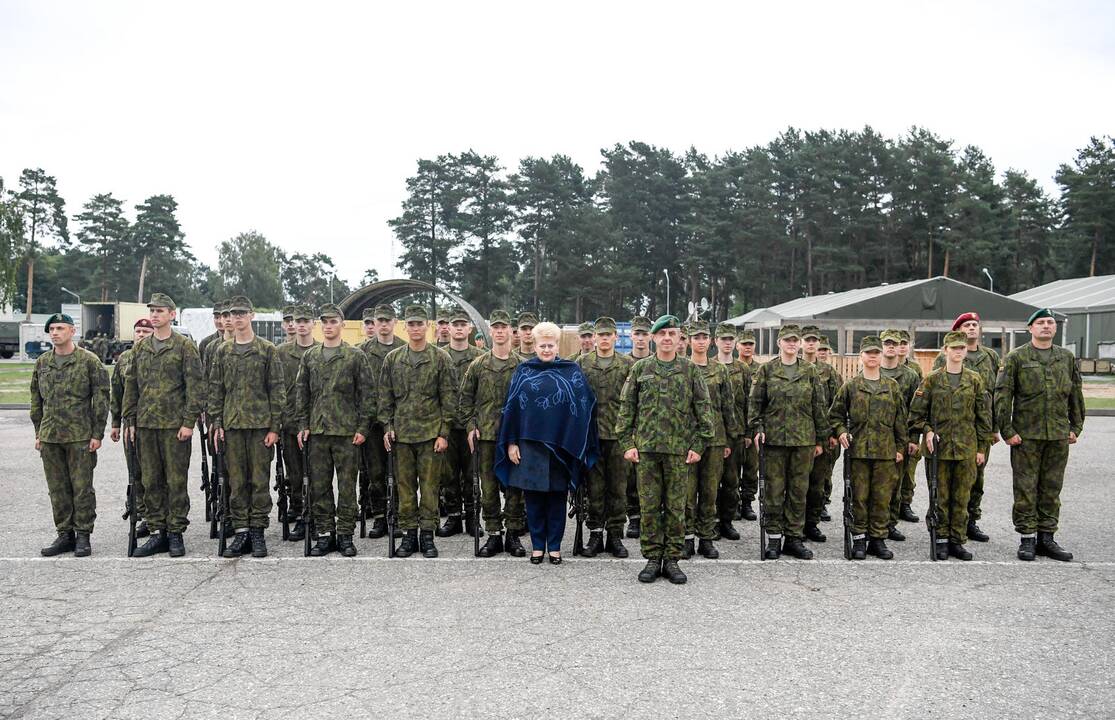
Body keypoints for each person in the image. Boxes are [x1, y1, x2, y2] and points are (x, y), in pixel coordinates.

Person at [616, 315, 713, 585]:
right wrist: (627, 443)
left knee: (675, 507)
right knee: (648, 506)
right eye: (663, 334)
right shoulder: (640, 369)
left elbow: (704, 410)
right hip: (646, 451)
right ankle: (651, 558)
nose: (668, 338)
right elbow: (626, 408)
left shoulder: (690, 370)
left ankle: (671, 559)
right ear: (654, 338)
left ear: (680, 338)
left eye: (673, 333)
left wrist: (699, 444)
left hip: (678, 451)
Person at [497, 322, 599, 564]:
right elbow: (511, 409)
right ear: (535, 345)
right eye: (542, 345)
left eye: (550, 345)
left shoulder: (571, 370)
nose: (546, 349)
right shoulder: (524, 371)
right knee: (533, 500)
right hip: (529, 446)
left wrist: (578, 442)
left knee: (556, 499)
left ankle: (554, 547)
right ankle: (537, 547)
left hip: (561, 447)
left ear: (557, 345)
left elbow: (585, 404)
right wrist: (511, 443)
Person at [995, 308, 1084, 562]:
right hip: (1026, 436)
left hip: (1057, 434)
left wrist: (1076, 426)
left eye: (1050, 323)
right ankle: (1027, 539)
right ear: (1030, 328)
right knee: (1025, 488)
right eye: (1041, 323)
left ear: (1055, 328)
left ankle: (1047, 537)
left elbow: (1075, 393)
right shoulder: (1016, 357)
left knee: (1051, 488)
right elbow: (1002, 395)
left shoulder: (1066, 358)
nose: (1046, 326)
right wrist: (1008, 430)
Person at [122, 293, 204, 557]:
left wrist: (189, 421)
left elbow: (195, 387)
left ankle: (176, 532)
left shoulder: (184, 347)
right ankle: (157, 532)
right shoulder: (140, 348)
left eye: (160, 311)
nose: (155, 315)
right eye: (153, 311)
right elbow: (131, 386)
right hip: (146, 425)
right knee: (151, 480)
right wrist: (130, 420)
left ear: (172, 314)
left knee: (175, 481)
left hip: (174, 426)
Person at [208, 295, 285, 558]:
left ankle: (258, 531)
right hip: (231, 426)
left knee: (259, 481)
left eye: (242, 313)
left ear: (251, 315)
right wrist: (216, 423)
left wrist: (275, 426)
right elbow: (216, 390)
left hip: (260, 427)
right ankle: (241, 531)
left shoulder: (267, 350)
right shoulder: (222, 351)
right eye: (232, 314)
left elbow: (277, 390)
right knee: (237, 482)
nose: (237, 318)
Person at [296, 304, 375, 557]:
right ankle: (325, 533)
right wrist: (303, 425)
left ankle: (344, 535)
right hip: (318, 432)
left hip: (346, 433)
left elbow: (367, 395)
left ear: (342, 325)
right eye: (325, 322)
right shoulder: (310, 357)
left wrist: (363, 427)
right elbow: (302, 394)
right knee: (319, 486)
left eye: (333, 322)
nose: (329, 326)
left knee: (347, 486)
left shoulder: (355, 356)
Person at [379, 305, 456, 558]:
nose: (415, 328)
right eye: (411, 324)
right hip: (401, 435)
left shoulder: (440, 358)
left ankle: (427, 535)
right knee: (405, 488)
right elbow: (385, 398)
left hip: (430, 435)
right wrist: (387, 427)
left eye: (419, 324)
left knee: (430, 487)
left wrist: (444, 433)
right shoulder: (393, 359)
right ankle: (409, 535)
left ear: (428, 326)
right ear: (405, 326)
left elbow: (448, 398)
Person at [908, 331, 993, 561]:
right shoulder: (932, 379)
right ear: (945, 351)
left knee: (962, 496)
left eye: (961, 348)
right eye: (953, 348)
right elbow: (916, 415)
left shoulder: (974, 380)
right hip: (939, 450)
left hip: (966, 448)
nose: (957, 352)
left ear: (966, 351)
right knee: (940, 496)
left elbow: (983, 417)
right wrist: (927, 431)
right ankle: (940, 538)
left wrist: (981, 448)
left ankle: (957, 540)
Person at [31, 313, 109, 557]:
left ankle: (83, 535)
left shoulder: (89, 361)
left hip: (80, 436)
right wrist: (39, 432)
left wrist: (97, 433)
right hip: (51, 436)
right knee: (57, 488)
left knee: (82, 488)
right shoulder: (43, 362)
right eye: (52, 329)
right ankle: (65, 534)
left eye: (60, 328)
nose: (54, 333)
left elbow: (102, 399)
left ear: (72, 331)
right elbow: (36, 400)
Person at [749, 324, 828, 560]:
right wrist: (757, 429)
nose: (792, 344)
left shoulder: (810, 371)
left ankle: (794, 538)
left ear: (800, 344)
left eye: (795, 340)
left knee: (798, 490)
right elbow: (756, 405)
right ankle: (774, 538)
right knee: (774, 490)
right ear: (779, 343)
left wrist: (821, 438)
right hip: (774, 440)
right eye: (787, 340)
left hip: (803, 440)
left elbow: (819, 405)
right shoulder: (767, 370)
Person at [829, 336, 907, 560]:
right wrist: (841, 431)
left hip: (886, 452)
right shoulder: (851, 386)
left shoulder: (892, 387)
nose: (872, 357)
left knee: (882, 498)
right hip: (859, 452)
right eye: (868, 353)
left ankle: (878, 539)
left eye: (876, 353)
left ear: (881, 356)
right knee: (859, 497)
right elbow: (835, 415)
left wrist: (901, 446)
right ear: (861, 356)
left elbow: (900, 420)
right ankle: (860, 538)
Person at [460, 310, 527, 557]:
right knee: (487, 488)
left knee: (513, 487)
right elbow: (465, 400)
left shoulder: (521, 366)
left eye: (504, 327)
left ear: (511, 331)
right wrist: (470, 427)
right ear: (490, 332)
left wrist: (521, 436)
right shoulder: (478, 365)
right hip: (486, 436)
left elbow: (528, 404)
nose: (499, 332)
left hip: (512, 437)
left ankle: (512, 534)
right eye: (495, 327)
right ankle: (493, 534)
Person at [932, 312, 1000, 542]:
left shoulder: (990, 356)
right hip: (950, 429)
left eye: (975, 325)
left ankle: (970, 521)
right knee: (946, 483)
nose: (972, 328)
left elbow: (994, 395)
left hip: (977, 428)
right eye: (966, 325)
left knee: (976, 477)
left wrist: (994, 428)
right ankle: (944, 526)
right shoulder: (946, 358)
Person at [576, 316, 633, 558]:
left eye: (609, 335)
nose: (604, 339)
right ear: (595, 337)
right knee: (595, 488)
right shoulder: (582, 363)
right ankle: (596, 533)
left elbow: (633, 402)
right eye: (600, 335)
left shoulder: (627, 364)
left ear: (615, 337)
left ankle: (615, 535)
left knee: (618, 488)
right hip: (592, 435)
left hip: (619, 435)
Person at [685, 320, 740, 559]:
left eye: (703, 337)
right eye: (695, 337)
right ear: (689, 341)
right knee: (687, 493)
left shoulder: (720, 371)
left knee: (709, 492)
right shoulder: (682, 368)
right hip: (687, 439)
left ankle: (706, 538)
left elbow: (728, 407)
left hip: (716, 440)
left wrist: (730, 439)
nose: (700, 341)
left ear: (710, 341)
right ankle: (687, 538)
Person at [358, 304, 406, 539]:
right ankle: (379, 516)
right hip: (372, 423)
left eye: (388, 320)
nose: (384, 324)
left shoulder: (403, 349)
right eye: (380, 320)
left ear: (394, 322)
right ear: (374, 323)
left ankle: (396, 515)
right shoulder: (362, 351)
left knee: (397, 472)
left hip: (398, 421)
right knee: (375, 473)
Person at [438, 307, 484, 538]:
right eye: (453, 324)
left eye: (462, 324)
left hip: (470, 427)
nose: (457, 328)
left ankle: (473, 518)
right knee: (448, 476)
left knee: (471, 475)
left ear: (469, 328)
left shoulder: (479, 357)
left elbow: (481, 393)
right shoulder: (439, 355)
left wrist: (475, 423)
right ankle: (453, 517)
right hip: (446, 427)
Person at [276, 305, 318, 540]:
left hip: (317, 424)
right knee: (294, 473)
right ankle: (301, 514)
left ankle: (316, 516)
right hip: (290, 423)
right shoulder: (281, 352)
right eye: (295, 320)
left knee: (316, 475)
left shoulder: (321, 351)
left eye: (304, 320)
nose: (299, 324)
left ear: (313, 324)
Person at [110, 318, 154, 538]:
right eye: (138, 330)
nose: (142, 334)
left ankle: (156, 515)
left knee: (154, 473)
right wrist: (116, 423)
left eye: (146, 330)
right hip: (130, 425)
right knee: (135, 472)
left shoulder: (156, 356)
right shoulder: (125, 359)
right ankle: (142, 514)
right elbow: (117, 393)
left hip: (153, 423)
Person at [879, 328, 921, 540]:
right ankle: (872, 523)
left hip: (900, 437)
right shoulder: (871, 371)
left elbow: (918, 410)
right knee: (875, 484)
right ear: (881, 346)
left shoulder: (911, 376)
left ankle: (890, 523)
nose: (891, 347)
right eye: (887, 344)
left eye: (895, 344)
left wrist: (914, 438)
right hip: (874, 437)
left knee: (896, 482)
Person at [800, 325, 839, 540]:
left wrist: (832, 433)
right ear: (801, 343)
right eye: (807, 340)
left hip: (822, 436)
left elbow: (837, 405)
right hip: (799, 435)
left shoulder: (828, 372)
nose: (811, 343)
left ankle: (812, 524)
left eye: (814, 340)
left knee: (817, 484)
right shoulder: (794, 368)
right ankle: (795, 525)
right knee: (797, 484)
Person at [713, 323, 749, 540]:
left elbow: (747, 403)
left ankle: (726, 521)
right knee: (709, 481)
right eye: (723, 339)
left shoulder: (742, 369)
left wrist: (746, 432)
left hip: (735, 433)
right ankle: (711, 521)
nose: (727, 342)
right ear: (715, 341)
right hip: (713, 433)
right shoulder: (706, 366)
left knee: (731, 480)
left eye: (730, 339)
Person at [624, 315, 653, 538]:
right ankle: (634, 517)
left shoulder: (657, 362)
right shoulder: (623, 363)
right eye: (637, 334)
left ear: (651, 336)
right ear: (631, 335)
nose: (641, 338)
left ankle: (650, 516)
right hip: (630, 429)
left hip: (652, 430)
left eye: (645, 333)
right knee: (630, 477)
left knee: (650, 477)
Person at [736, 329, 760, 522]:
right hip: (734, 427)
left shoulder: (761, 370)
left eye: (750, 344)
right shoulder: (728, 367)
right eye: (744, 344)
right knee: (732, 469)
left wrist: (753, 430)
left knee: (752, 468)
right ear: (738, 346)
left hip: (752, 427)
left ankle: (747, 502)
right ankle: (732, 502)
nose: (747, 347)